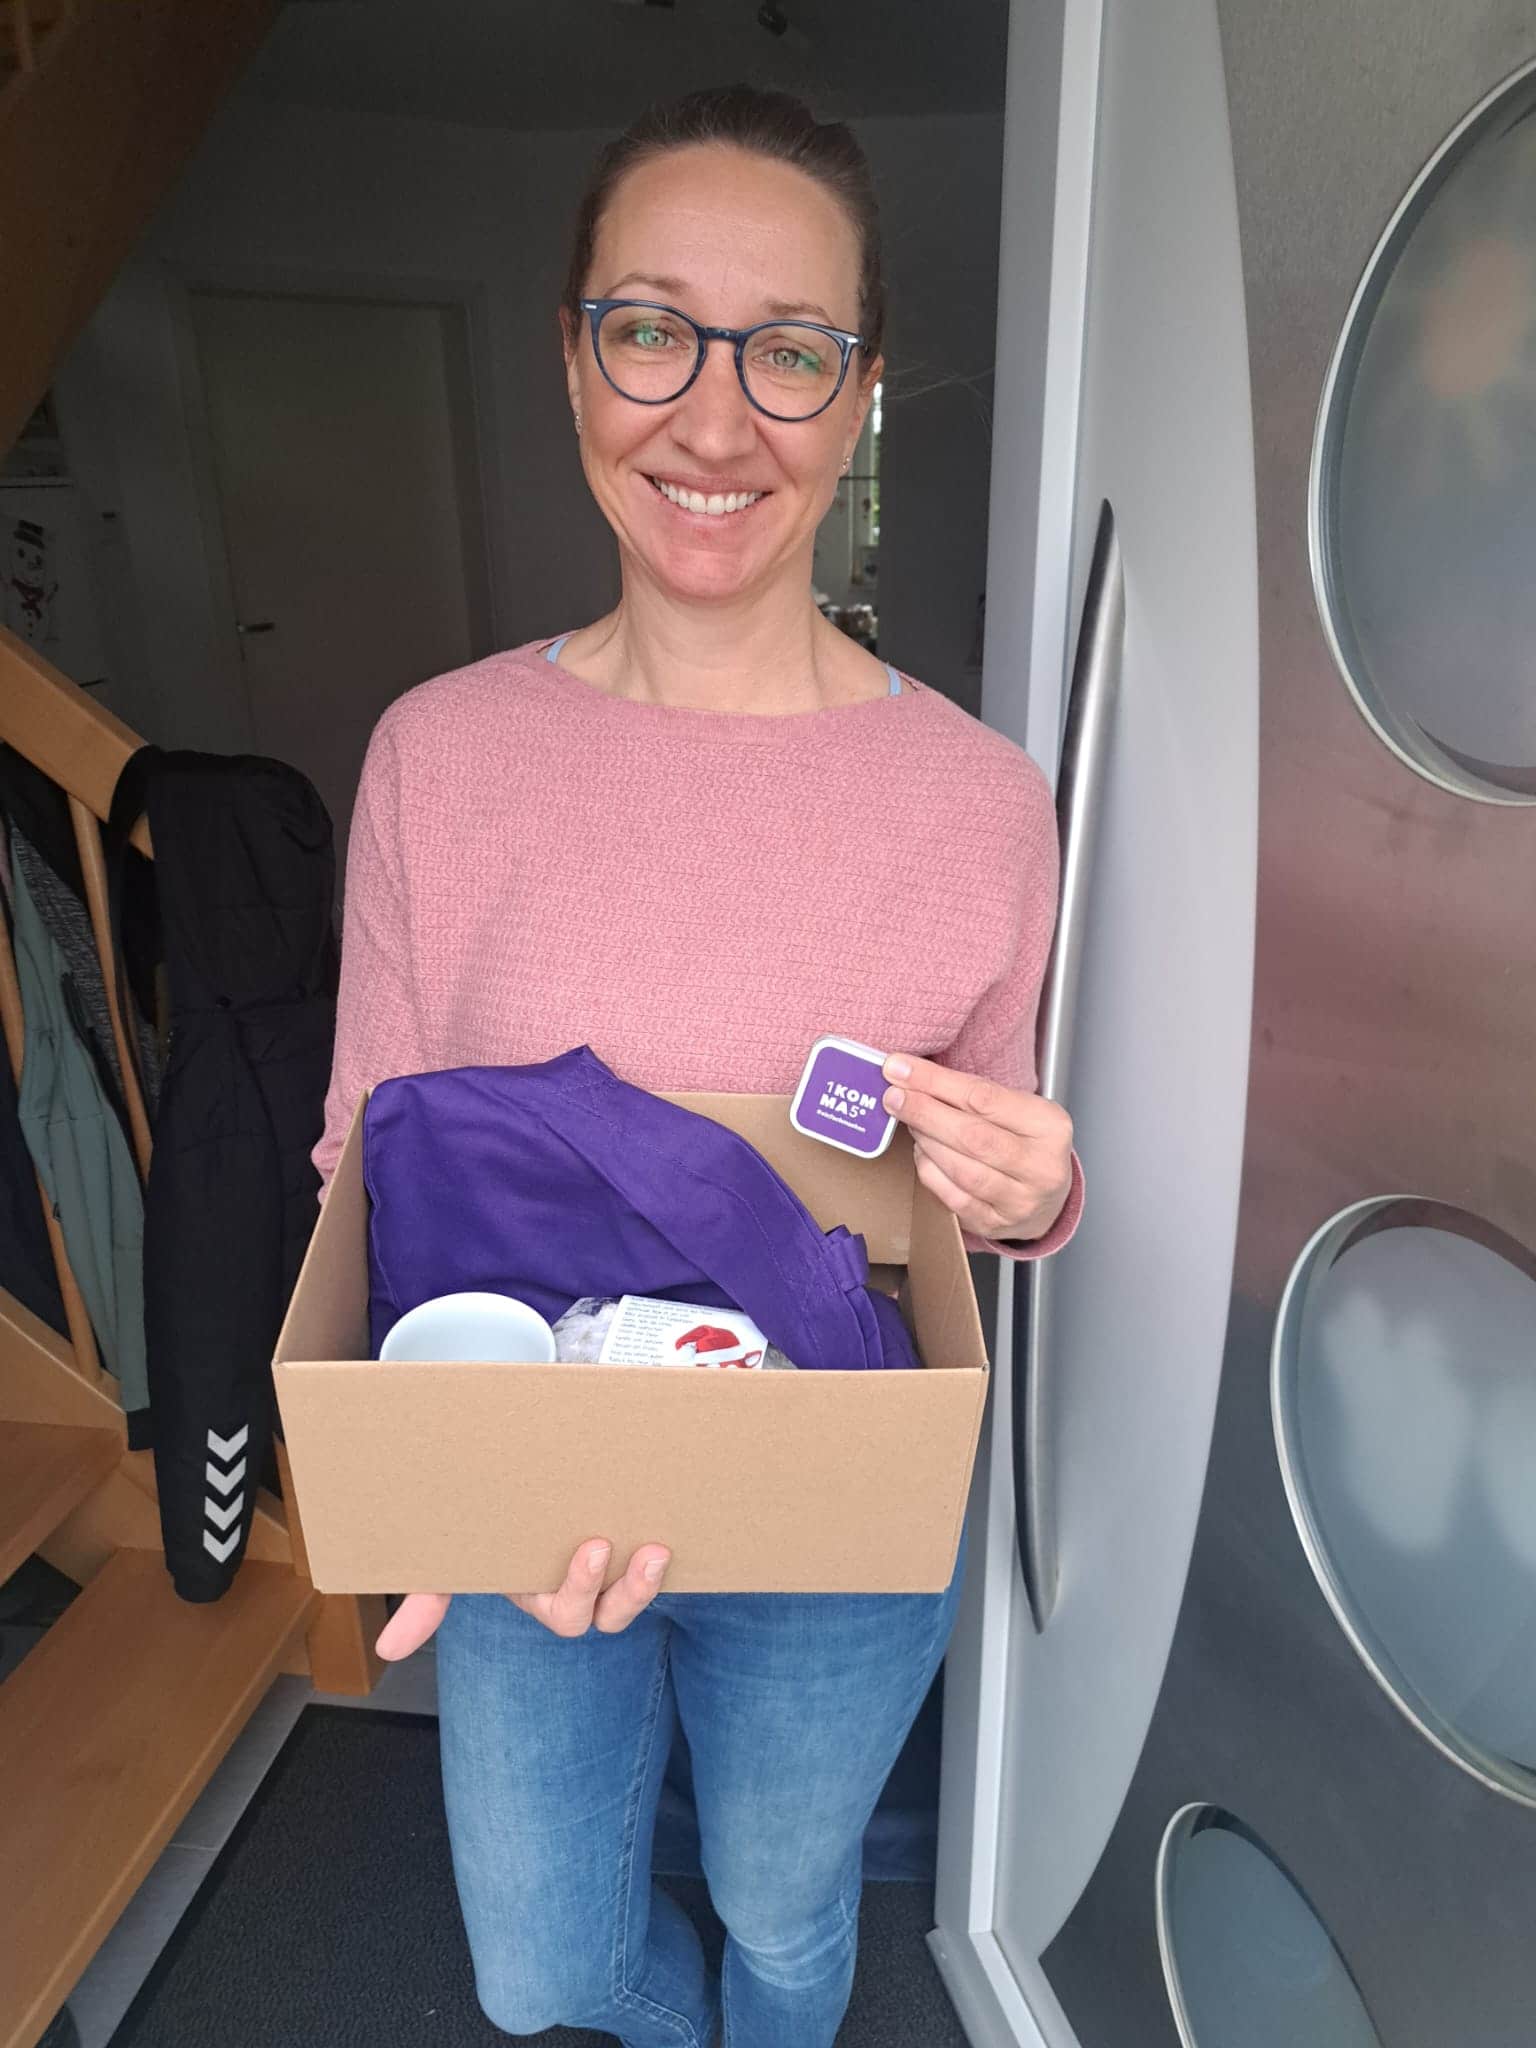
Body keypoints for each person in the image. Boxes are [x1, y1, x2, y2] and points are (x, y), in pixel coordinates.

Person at [314, 82, 1083, 2048]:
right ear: (575, 359)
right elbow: (365, 1166)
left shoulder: (982, 801)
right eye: (655, 330)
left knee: (783, 1911)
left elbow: (977, 1189)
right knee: (542, 1974)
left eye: (791, 351)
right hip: (529, 1485)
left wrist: (1044, 1192)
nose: (718, 422)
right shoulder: (437, 758)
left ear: (861, 390)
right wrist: (413, 1476)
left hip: (834, 1499)